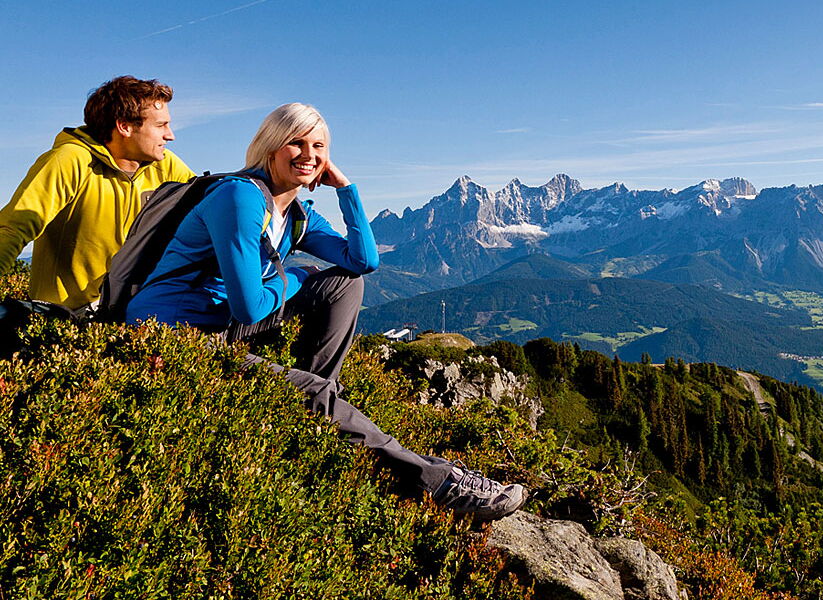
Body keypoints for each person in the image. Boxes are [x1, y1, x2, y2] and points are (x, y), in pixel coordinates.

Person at [126, 103, 525, 520]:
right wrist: (298, 275)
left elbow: (362, 261)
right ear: (269, 147)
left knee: (345, 285)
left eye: (318, 146)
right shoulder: (240, 197)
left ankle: (317, 412)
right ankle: (436, 481)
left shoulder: (296, 214)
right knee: (312, 374)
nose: (308, 154)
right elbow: (249, 309)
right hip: (173, 334)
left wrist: (346, 190)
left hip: (222, 322)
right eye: (295, 142)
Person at [0, 76, 194, 310]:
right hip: (63, 320)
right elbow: (13, 228)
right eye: (161, 125)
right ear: (125, 126)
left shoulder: (167, 166)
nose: (170, 135)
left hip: (136, 317)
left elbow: (211, 208)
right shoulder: (69, 160)